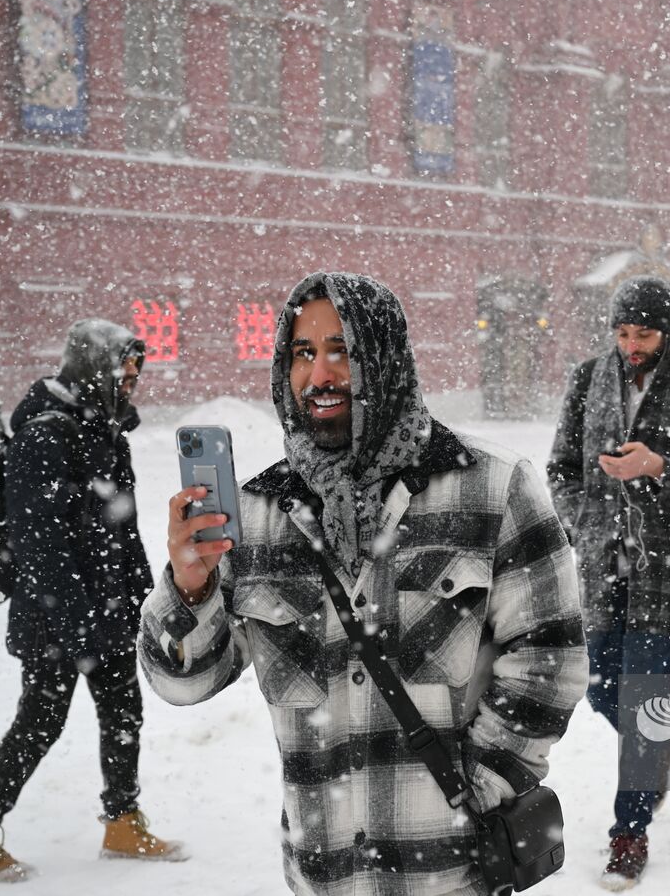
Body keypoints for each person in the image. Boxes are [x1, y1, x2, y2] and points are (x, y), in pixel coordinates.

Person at [140, 273, 587, 896]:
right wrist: (189, 590)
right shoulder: (258, 515)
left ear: (384, 357)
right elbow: (183, 682)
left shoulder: (494, 488)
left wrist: (476, 787)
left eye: (341, 350)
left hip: (451, 878)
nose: (319, 375)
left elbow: (551, 659)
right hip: (324, 877)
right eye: (303, 353)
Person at [0, 321, 180, 883]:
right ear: (94, 367)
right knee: (39, 724)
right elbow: (40, 543)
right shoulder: (44, 437)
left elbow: (121, 533)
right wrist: (78, 623)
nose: (131, 383)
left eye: (135, 373)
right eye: (123, 371)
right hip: (59, 618)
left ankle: (122, 821)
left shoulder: (104, 430)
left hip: (110, 609)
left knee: (124, 713)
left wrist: (146, 600)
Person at [548, 275, 670, 889]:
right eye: (623, 332)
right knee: (602, 690)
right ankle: (658, 742)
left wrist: (657, 467)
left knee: (638, 697)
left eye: (644, 333)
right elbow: (560, 468)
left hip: (667, 568)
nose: (631, 344)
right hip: (601, 569)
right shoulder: (588, 377)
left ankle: (629, 831)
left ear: (667, 329)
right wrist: (582, 523)